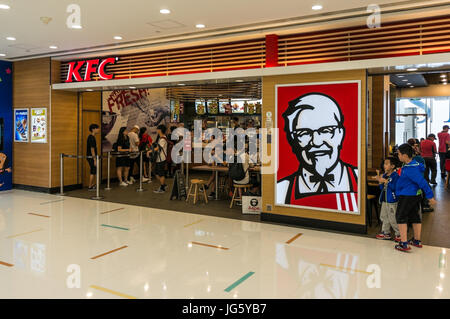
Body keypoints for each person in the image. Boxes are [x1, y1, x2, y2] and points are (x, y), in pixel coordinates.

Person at [276, 93, 358, 211]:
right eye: (304, 133)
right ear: (293, 141)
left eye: (326, 130)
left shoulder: (358, 177)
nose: (316, 142)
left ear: (341, 134)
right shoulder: (282, 190)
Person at [394, 143, 436, 252]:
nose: (397, 156)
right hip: (415, 196)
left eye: (398, 154)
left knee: (400, 217)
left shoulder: (410, 169)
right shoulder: (414, 164)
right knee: (415, 217)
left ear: (405, 155)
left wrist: (430, 196)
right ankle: (416, 240)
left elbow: (422, 182)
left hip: (407, 196)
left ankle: (403, 243)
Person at [375, 157, 401, 242]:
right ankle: (386, 233)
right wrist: (380, 181)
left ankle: (399, 234)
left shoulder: (395, 175)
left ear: (392, 166)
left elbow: (395, 188)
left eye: (386, 164)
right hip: (385, 200)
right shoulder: (385, 175)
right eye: (384, 164)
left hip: (392, 201)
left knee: (392, 218)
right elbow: (382, 188)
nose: (384, 165)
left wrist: (386, 181)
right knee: (384, 217)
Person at [148, 124, 168, 193]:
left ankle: (162, 188)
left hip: (161, 158)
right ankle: (163, 185)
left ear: (160, 130)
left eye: (157, 129)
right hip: (159, 158)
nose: (157, 130)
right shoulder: (161, 138)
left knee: (160, 173)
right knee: (156, 172)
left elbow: (158, 148)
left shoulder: (162, 139)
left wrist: (150, 151)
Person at [86, 124, 100, 190]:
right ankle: (90, 186)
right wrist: (94, 159)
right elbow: (92, 149)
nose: (98, 129)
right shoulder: (91, 138)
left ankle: (92, 184)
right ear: (93, 129)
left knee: (94, 171)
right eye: (97, 128)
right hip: (91, 157)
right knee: (93, 171)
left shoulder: (92, 137)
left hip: (91, 157)